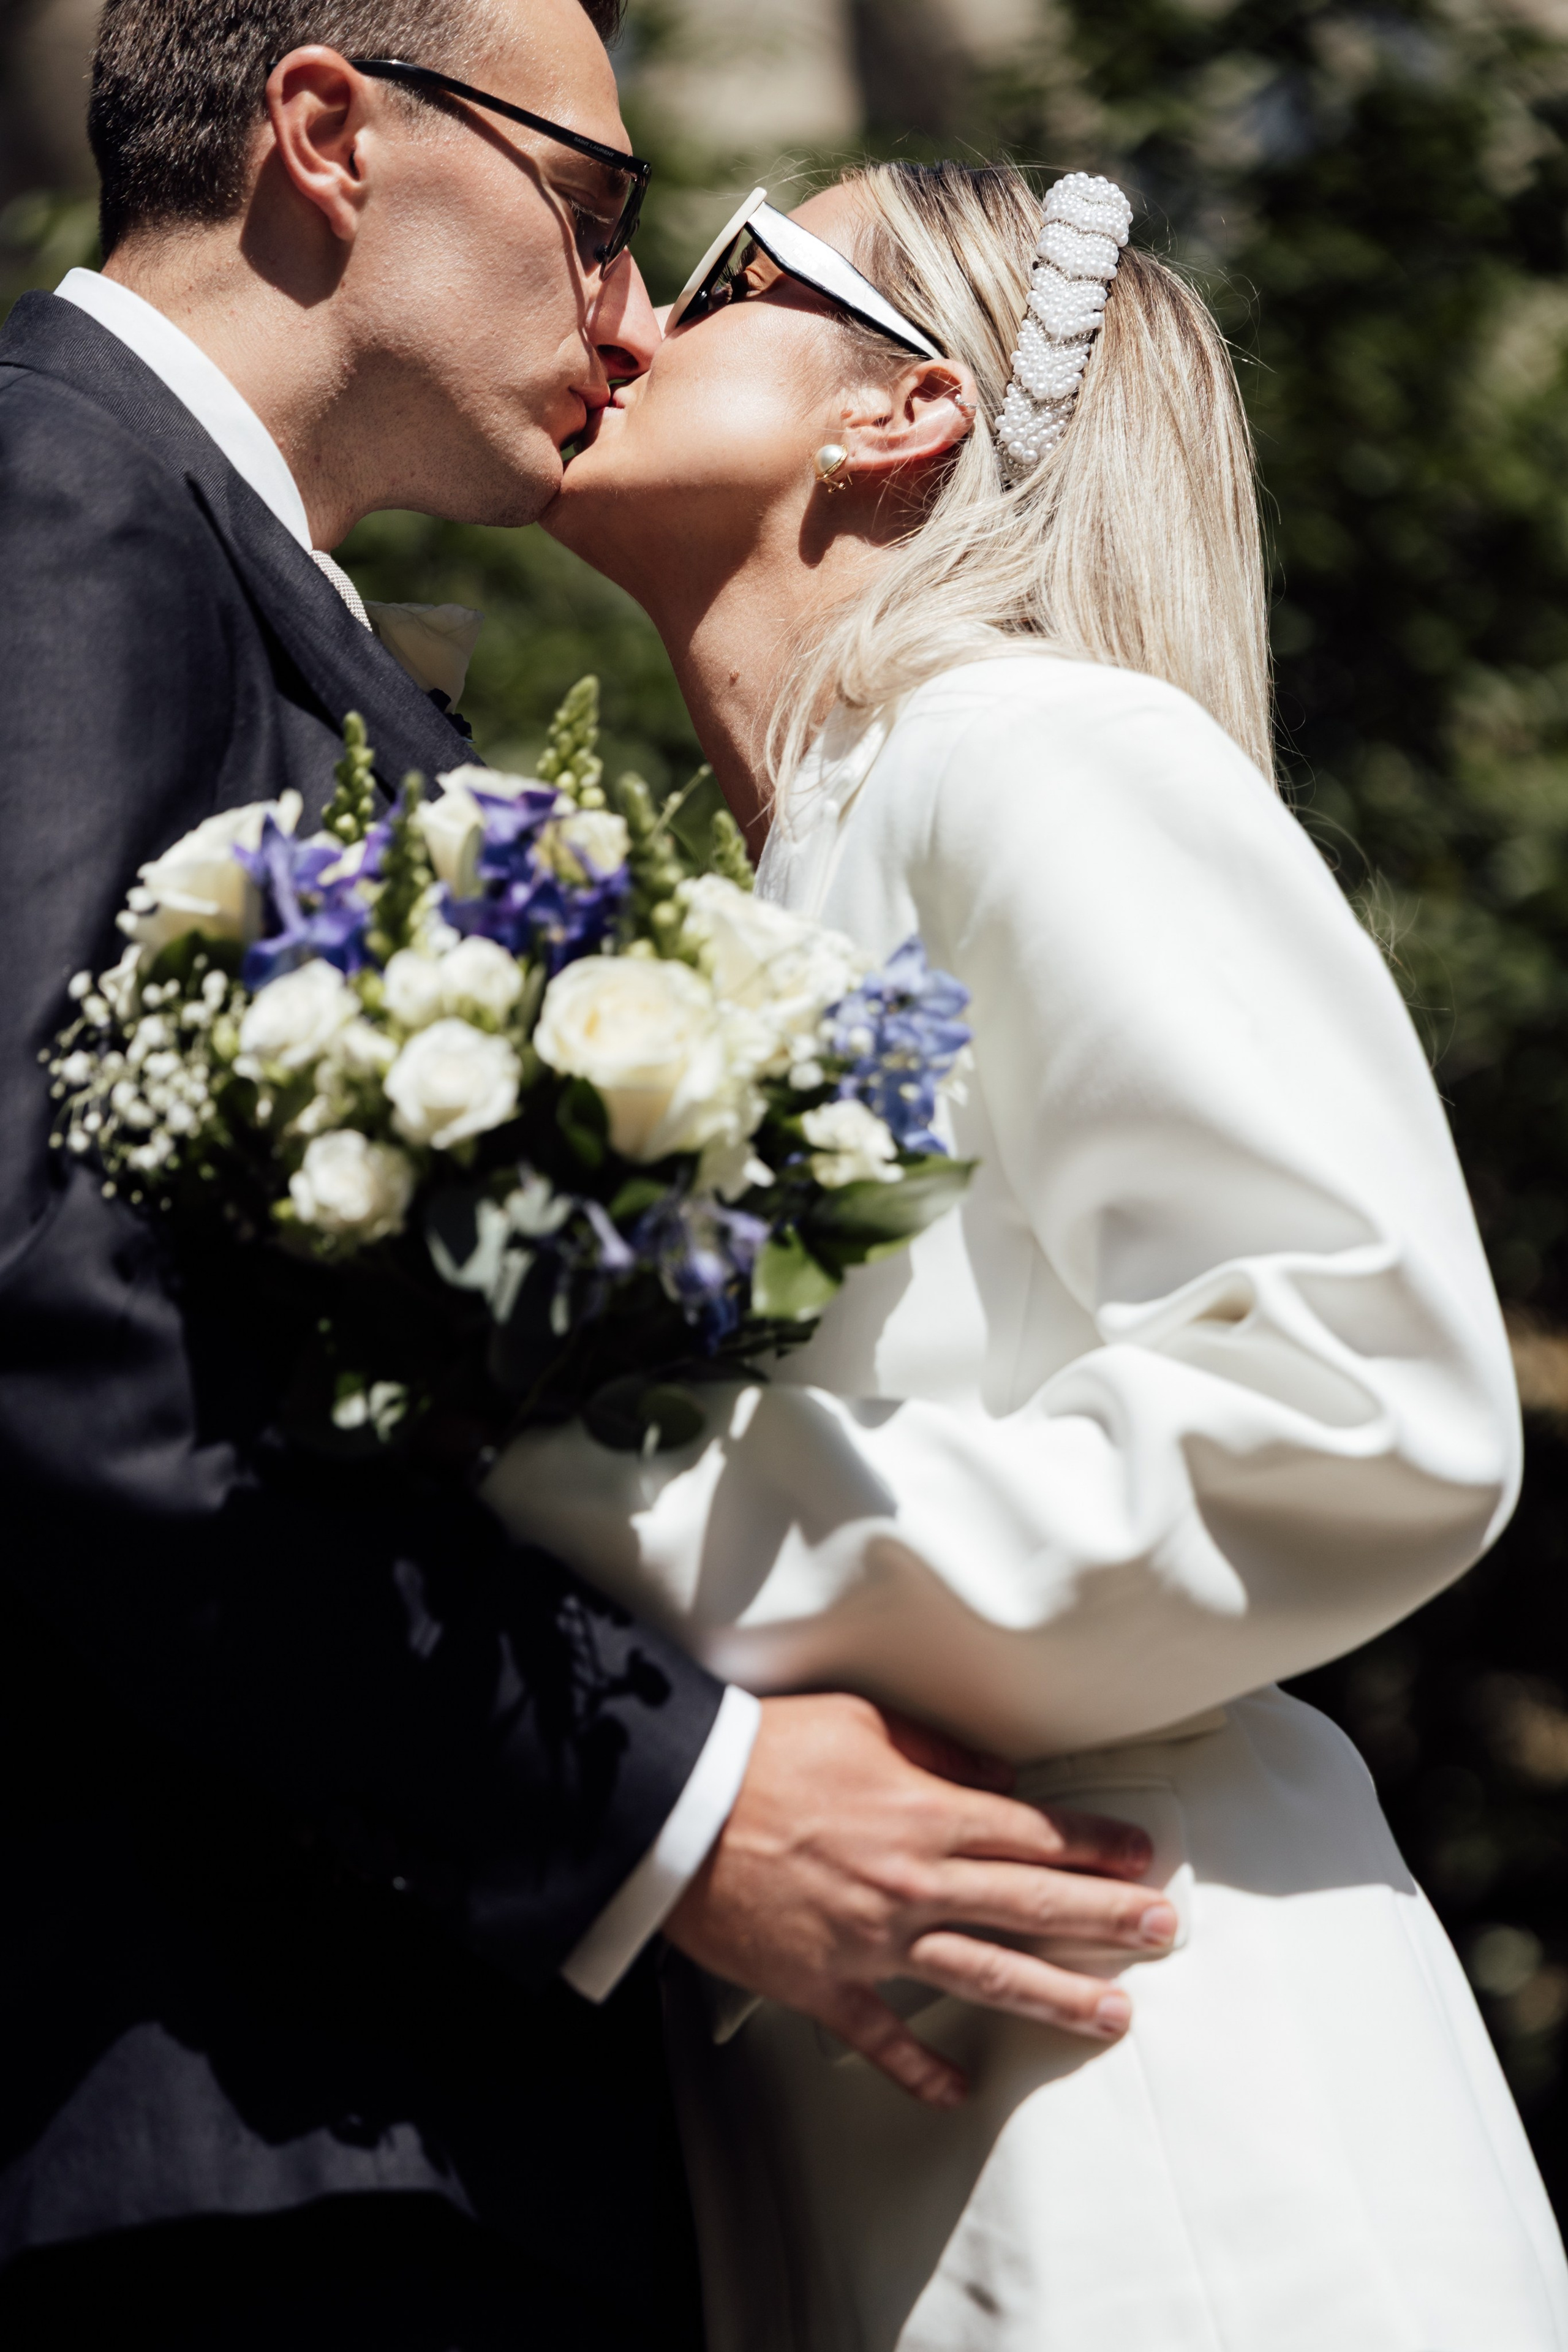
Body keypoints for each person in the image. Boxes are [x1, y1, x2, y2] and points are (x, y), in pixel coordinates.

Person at [0, 13, 1172, 2348]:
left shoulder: (215, 567)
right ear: (329, 134)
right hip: (219, 2133)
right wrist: (674, 1811)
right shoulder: (67, 496)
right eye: (599, 206)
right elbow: (43, 1284)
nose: (630, 310)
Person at [488, 161, 1568, 2346]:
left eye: (729, 271)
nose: (629, 311)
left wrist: (613, 1520)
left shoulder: (1031, 748)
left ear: (897, 411)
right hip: (894, 2132)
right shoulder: (782, 872)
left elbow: (1366, 1399)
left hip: (1173, 2116)